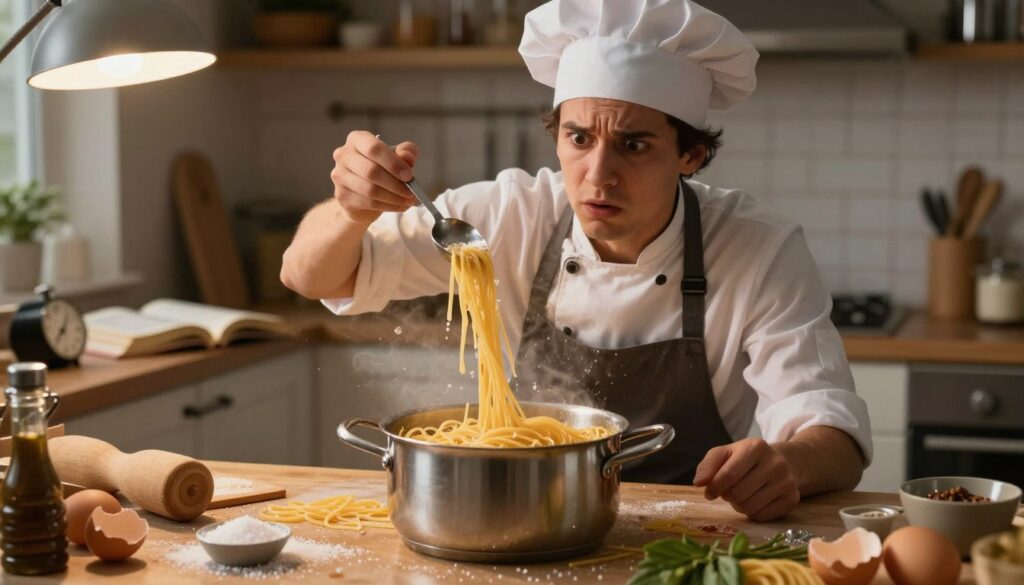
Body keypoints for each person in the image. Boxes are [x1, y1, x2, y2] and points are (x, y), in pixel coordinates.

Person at [281, 0, 872, 522]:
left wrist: (789, 464)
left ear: (690, 154)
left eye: (634, 145)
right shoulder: (510, 214)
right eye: (579, 138)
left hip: (692, 529)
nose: (598, 176)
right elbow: (310, 276)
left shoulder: (757, 248)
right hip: (526, 516)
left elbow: (833, 437)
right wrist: (350, 209)